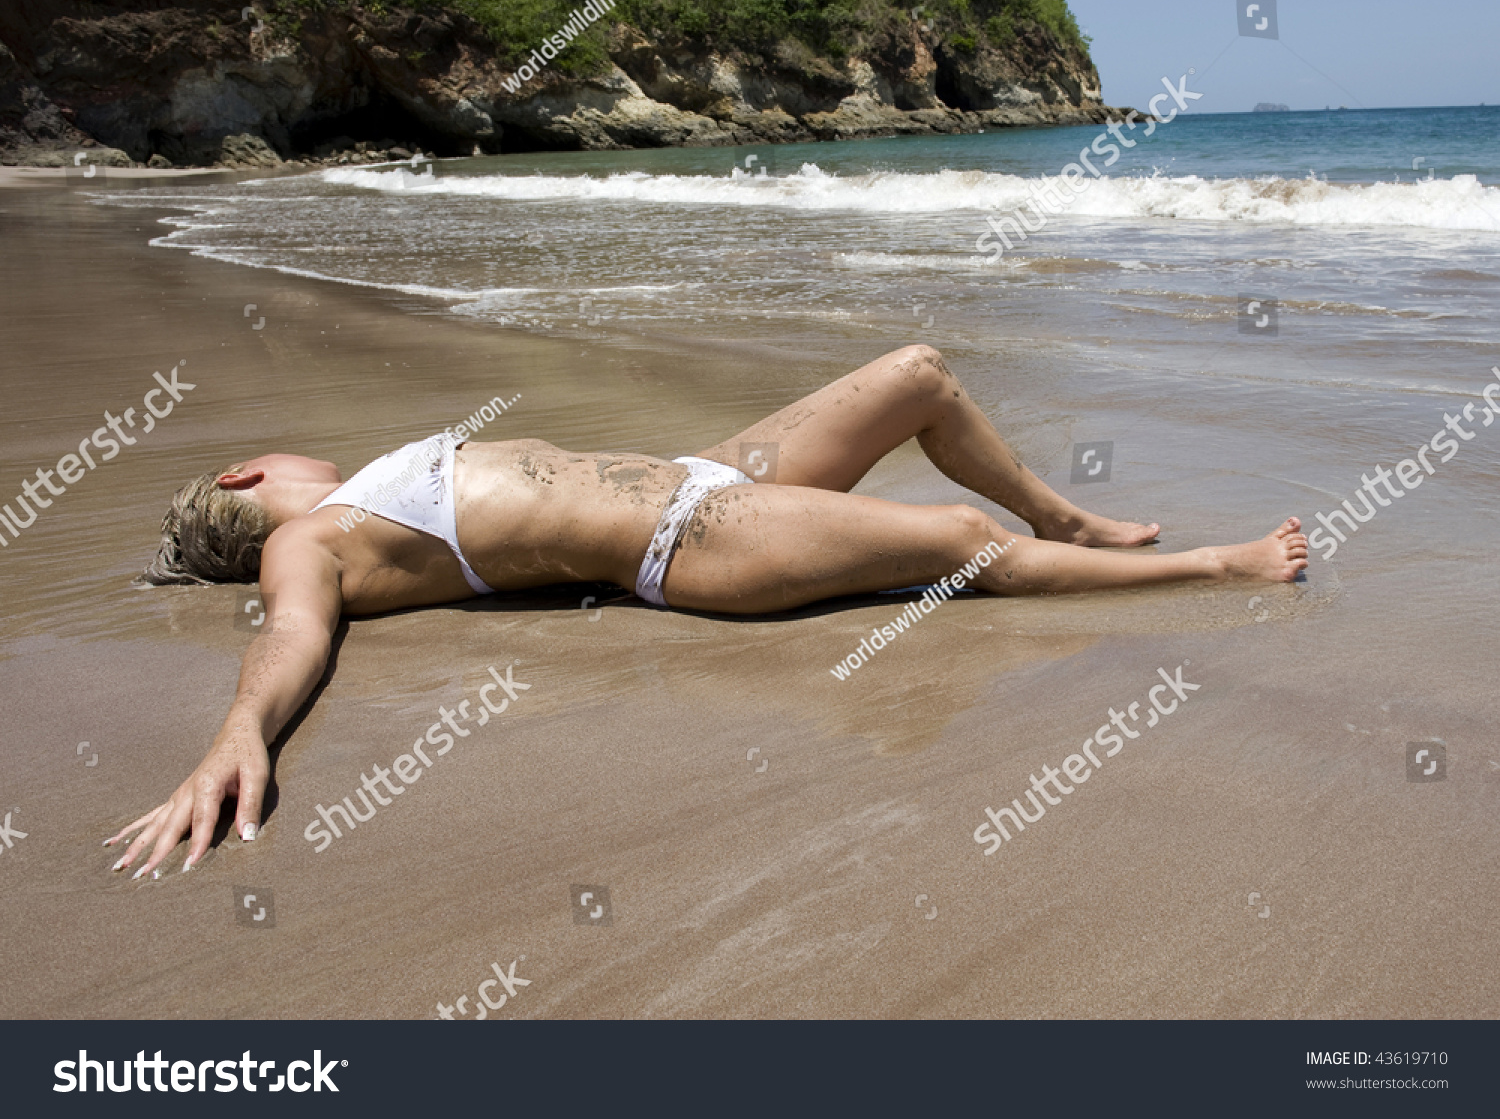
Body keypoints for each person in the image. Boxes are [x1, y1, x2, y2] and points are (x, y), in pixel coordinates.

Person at [107, 345, 1307, 877]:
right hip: (694, 541)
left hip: (711, 469)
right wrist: (236, 739)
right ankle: (1216, 570)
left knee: (917, 375)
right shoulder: (311, 541)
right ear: (242, 482)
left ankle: (1079, 523)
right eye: (264, 458)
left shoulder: (363, 500)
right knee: (955, 545)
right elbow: (294, 637)